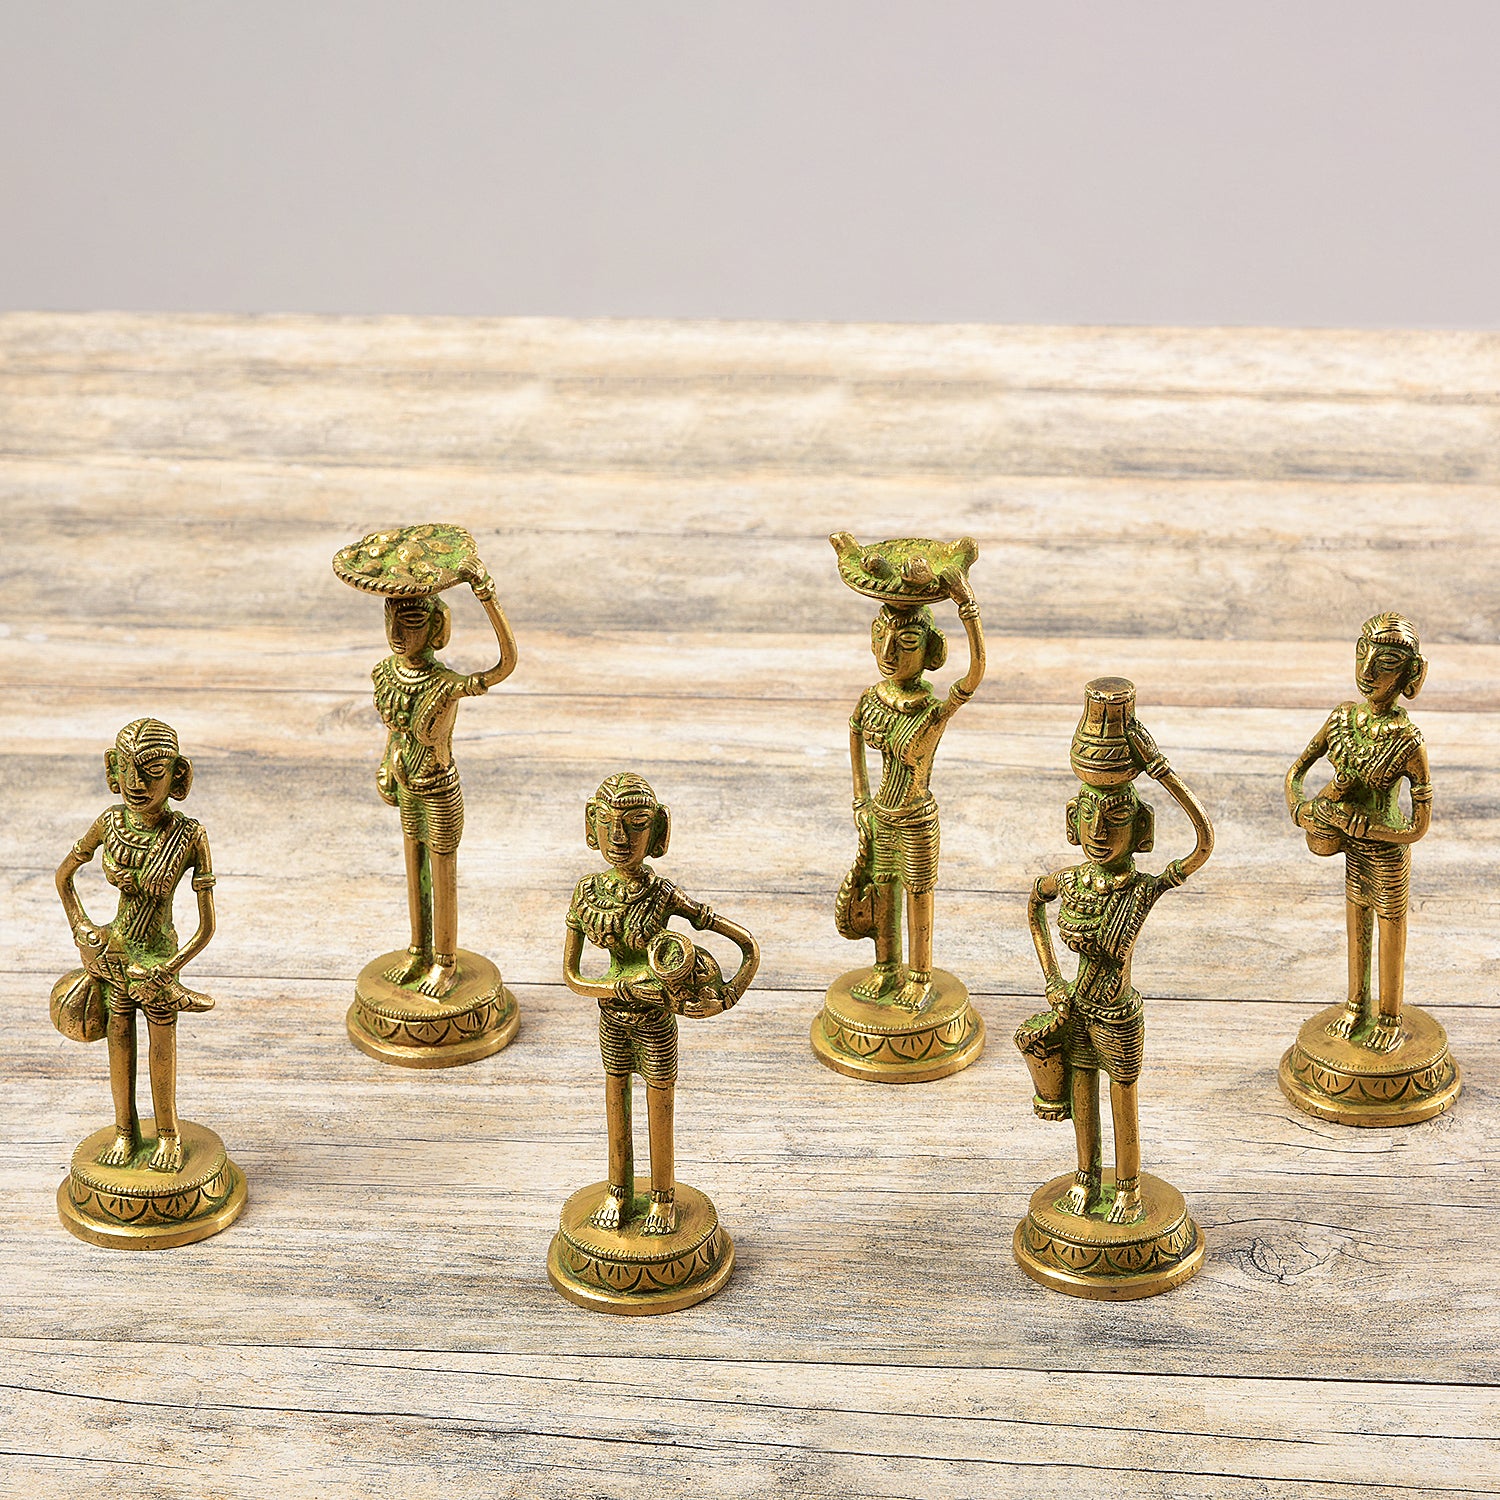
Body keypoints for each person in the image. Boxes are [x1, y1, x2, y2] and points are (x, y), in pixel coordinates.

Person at [1028, 718, 1213, 1226]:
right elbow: (1033, 906)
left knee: (1122, 1097)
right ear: (1072, 820)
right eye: (1088, 815)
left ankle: (1128, 1188)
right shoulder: (1070, 881)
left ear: (1142, 829)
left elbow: (1203, 842)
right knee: (1082, 1093)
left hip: (1115, 1014)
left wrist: (1159, 767)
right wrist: (1052, 979)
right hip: (1077, 1006)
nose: (1098, 832)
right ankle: (1086, 1178)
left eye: (1115, 818)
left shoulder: (1142, 889)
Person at [562, 774, 759, 1236]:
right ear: (591, 824)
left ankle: (663, 1197)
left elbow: (747, 945)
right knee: (615, 1099)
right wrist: (623, 988)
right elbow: (572, 976)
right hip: (614, 1015)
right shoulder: (587, 893)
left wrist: (726, 996)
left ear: (657, 830)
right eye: (608, 821)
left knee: (659, 1101)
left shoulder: (663, 895)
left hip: (656, 1020)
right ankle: (618, 1190)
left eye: (635, 823)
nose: (619, 837)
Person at [54, 718, 216, 1173]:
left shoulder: (189, 836)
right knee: (119, 1041)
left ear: (178, 775)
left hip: (159, 959)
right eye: (127, 768)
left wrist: (169, 969)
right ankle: (125, 1132)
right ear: (112, 768)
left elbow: (207, 927)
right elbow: (63, 877)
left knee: (161, 1044)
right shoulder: (110, 823)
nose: (137, 783)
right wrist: (82, 928)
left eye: (152, 771)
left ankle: (168, 1136)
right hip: (115, 954)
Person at [1284, 613, 1431, 1053]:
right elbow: (1296, 772)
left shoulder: (1409, 742)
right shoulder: (1342, 720)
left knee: (1390, 925)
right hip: (1351, 848)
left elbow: (1418, 827)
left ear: (1410, 673)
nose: (1367, 671)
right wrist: (1301, 810)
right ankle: (1355, 1006)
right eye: (1362, 654)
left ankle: (1389, 1015)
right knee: (1356, 923)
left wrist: (1374, 828)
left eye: (1385, 662)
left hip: (1386, 855)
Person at [372, 557, 517, 998]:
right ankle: (419, 950)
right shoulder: (385, 674)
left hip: (438, 790)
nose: (398, 632)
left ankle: (445, 961)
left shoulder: (447, 683)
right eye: (391, 618)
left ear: (437, 627)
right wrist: (385, 764)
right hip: (405, 784)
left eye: (412, 621)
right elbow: (396, 731)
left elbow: (505, 664)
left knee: (441, 872)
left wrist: (485, 593)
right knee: (412, 867)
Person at [846, 567, 984, 1012]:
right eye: (882, 637)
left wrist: (967, 606)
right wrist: (860, 799)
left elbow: (974, 675)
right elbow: (855, 733)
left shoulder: (932, 711)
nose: (889, 652)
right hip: (880, 814)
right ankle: (886, 967)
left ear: (930, 652)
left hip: (916, 818)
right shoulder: (872, 700)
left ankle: (920, 976)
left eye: (906, 642)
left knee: (918, 893)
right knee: (883, 889)